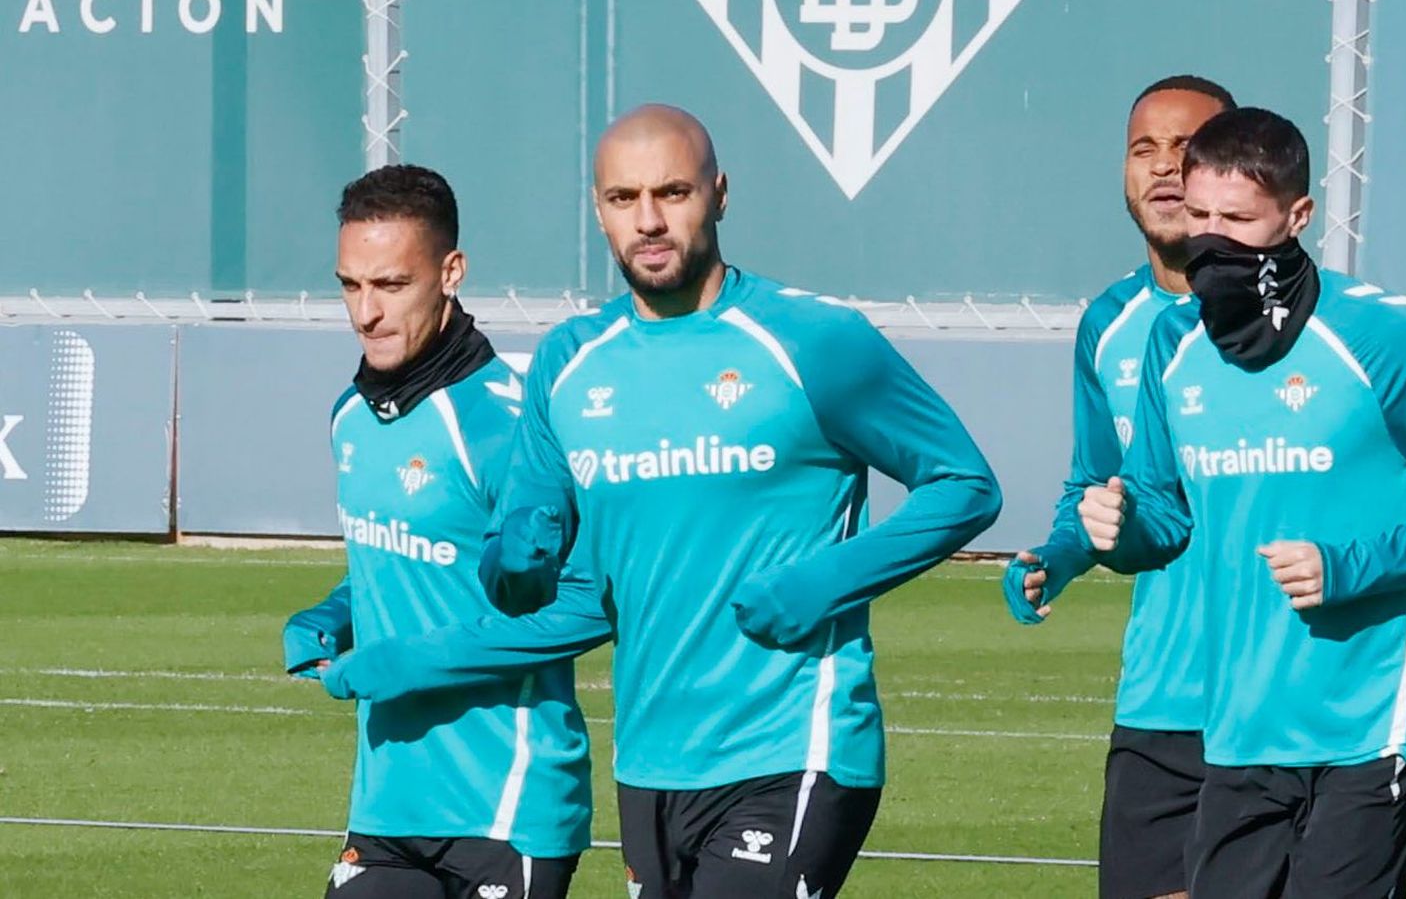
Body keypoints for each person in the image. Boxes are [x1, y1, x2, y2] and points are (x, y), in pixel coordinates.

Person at [319, 104, 1004, 899]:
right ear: (599, 209)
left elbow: (964, 485)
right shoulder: (569, 362)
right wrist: (513, 563)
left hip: (792, 743)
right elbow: (568, 590)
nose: (648, 220)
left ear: (719, 194)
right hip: (649, 764)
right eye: (624, 198)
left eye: (672, 193)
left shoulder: (813, 339)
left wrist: (822, 582)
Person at [1076, 107, 1406, 897]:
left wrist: (1349, 566)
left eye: (1237, 220)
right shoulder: (1172, 342)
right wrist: (1119, 532)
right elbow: (1164, 514)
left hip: (1369, 717)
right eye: (1199, 216)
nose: (1211, 239)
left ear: (1298, 217)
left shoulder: (1382, 333)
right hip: (1237, 722)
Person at [282, 164, 593, 899]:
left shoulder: (508, 425)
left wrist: (406, 663)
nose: (366, 313)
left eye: (392, 285)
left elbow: (581, 604)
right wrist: (332, 614)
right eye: (350, 285)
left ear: (451, 273)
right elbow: (416, 555)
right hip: (386, 803)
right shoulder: (350, 416)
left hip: (504, 806)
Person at [1001, 74, 1235, 899]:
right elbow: (1093, 485)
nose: (1164, 167)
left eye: (1188, 149)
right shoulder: (1108, 322)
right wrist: (1059, 556)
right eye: (1145, 149)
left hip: (1279, 704)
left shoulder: (1310, 322)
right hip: (1159, 702)